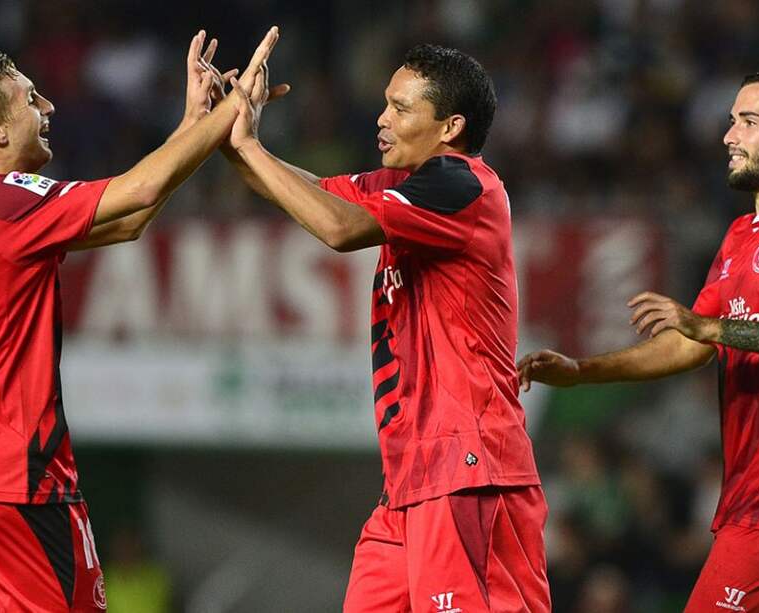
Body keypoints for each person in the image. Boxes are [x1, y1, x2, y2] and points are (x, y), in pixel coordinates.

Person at [0, 27, 281, 611]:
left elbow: (129, 220)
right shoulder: (9, 200)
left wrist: (193, 124)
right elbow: (139, 190)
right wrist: (235, 108)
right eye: (30, 99)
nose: (48, 106)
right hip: (14, 478)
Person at [218, 44, 551, 612]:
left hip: (468, 471)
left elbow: (338, 229)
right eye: (384, 105)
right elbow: (311, 193)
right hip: (409, 484)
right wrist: (228, 131)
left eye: (400, 108)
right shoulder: (409, 189)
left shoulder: (462, 184)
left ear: (451, 126)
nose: (381, 118)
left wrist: (247, 145)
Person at [519, 68, 759, 612]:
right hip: (751, 495)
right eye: (733, 120)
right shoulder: (740, 237)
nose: (728, 136)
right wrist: (581, 370)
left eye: (749, 121)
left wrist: (709, 327)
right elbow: (689, 344)